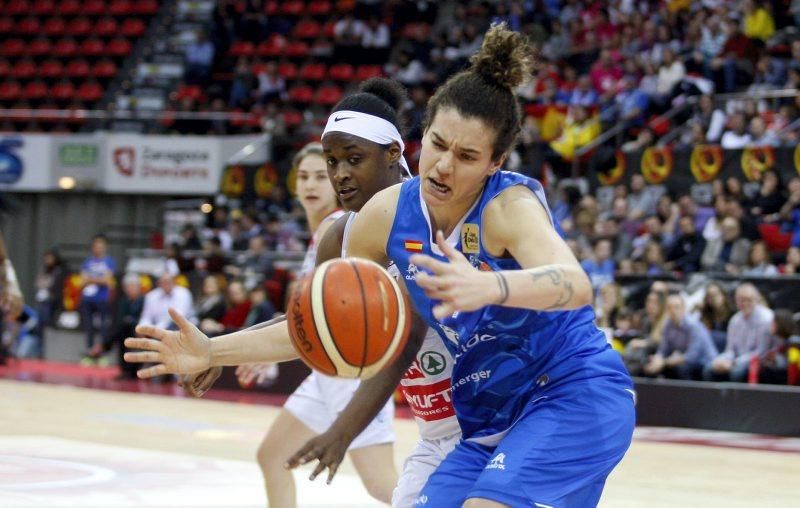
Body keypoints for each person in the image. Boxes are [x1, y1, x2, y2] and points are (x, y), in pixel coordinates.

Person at [126, 26, 634, 507]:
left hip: (571, 391)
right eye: (437, 144)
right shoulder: (386, 217)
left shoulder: (508, 207)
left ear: (494, 162)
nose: (443, 165)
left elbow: (574, 284)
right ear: (421, 134)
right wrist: (213, 350)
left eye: (467, 155)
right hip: (487, 418)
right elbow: (325, 324)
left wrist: (489, 286)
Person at [705, 283, 774, 382]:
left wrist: (734, 362)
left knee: (736, 372)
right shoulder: (735, 320)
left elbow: (761, 351)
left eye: (748, 300)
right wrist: (721, 360)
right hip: (736, 359)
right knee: (709, 368)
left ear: (757, 299)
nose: (745, 303)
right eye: (741, 300)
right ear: (736, 301)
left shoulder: (766, 318)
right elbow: (730, 350)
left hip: (758, 361)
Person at [644, 293, 717, 380]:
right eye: (670, 308)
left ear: (683, 309)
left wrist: (664, 362)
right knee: (649, 366)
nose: (673, 311)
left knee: (681, 368)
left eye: (677, 307)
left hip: (705, 362)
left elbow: (692, 356)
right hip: (681, 359)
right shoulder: (668, 325)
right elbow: (663, 349)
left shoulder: (693, 325)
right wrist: (657, 359)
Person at [79, 234, 116, 363]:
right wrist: (97, 279)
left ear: (104, 247)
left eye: (101, 246)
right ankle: (90, 353)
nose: (98, 249)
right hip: (87, 299)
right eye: (96, 246)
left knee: (103, 328)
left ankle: (101, 354)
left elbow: (107, 280)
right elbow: (82, 281)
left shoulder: (109, 262)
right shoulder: (87, 262)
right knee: (89, 327)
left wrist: (91, 279)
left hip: (102, 300)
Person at [110, 273, 144, 379]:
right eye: (127, 287)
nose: (129, 290)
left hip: (141, 329)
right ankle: (125, 370)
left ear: (138, 287)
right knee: (120, 331)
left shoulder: (145, 300)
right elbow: (119, 319)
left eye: (132, 286)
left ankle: (103, 346)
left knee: (123, 330)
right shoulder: (123, 301)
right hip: (126, 330)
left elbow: (147, 316)